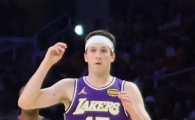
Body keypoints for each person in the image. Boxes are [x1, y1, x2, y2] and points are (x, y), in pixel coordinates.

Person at [18, 32, 152, 120]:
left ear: (112, 57)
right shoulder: (69, 86)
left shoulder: (127, 88)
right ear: (86, 57)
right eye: (93, 50)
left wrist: (131, 111)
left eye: (103, 50)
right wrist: (47, 63)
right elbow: (26, 102)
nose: (98, 55)